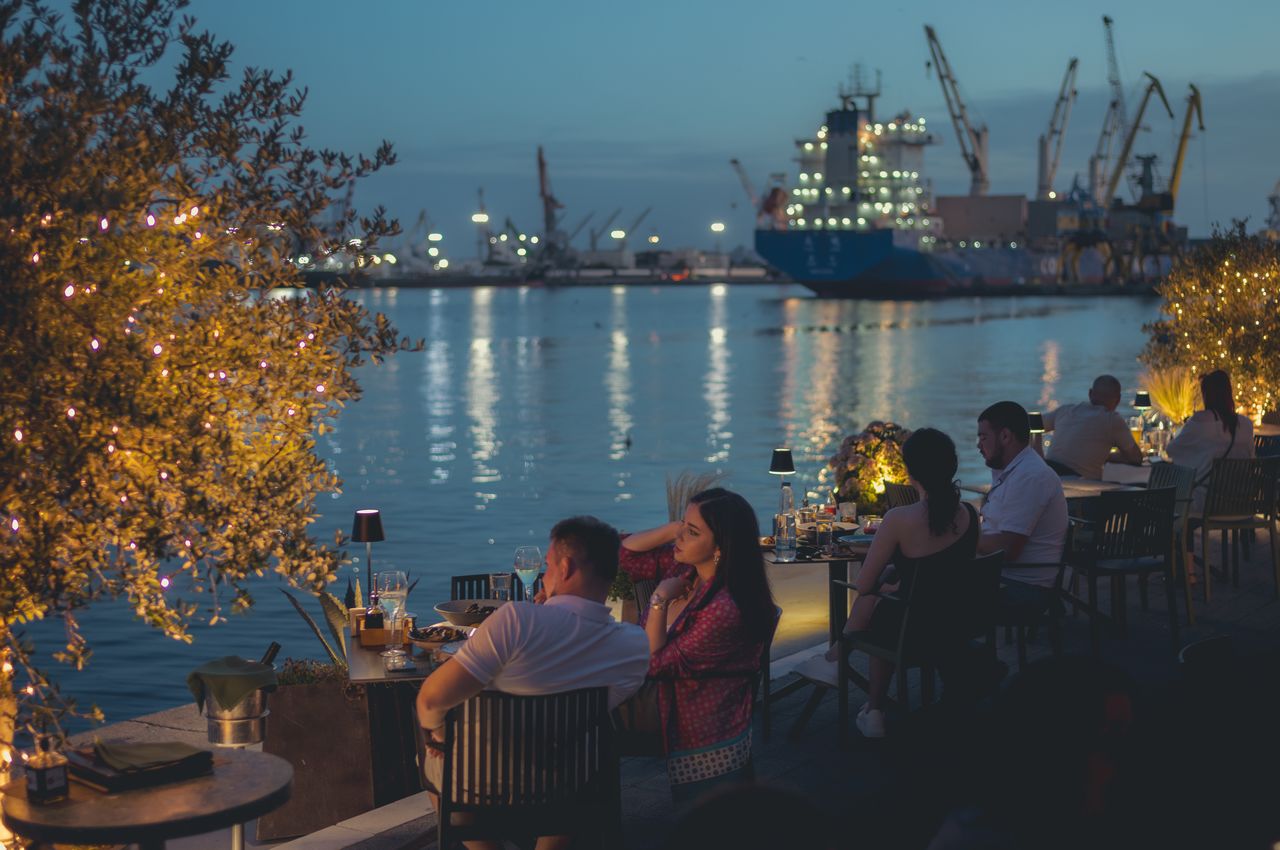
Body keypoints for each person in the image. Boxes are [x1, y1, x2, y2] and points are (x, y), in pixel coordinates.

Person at [415, 515, 649, 850]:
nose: (545, 575)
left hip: (476, 782)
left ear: (566, 567)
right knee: (589, 747)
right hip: (563, 786)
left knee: (432, 752)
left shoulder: (514, 620)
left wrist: (438, 736)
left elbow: (429, 701)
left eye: (549, 565)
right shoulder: (633, 646)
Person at [619, 487, 777, 807]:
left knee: (577, 717)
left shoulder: (725, 607)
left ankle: (569, 819)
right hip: (652, 694)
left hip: (684, 711)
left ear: (720, 546)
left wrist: (660, 600)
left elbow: (653, 664)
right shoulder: (685, 570)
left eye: (691, 532)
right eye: (682, 527)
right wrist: (676, 527)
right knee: (573, 714)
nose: (680, 538)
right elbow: (624, 555)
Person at [822, 428, 979, 738]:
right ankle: (865, 699)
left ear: (909, 471)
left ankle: (851, 683)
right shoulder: (970, 516)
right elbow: (952, 571)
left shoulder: (899, 518)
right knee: (888, 598)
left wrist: (884, 580)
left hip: (913, 631)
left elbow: (864, 584)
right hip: (958, 624)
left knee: (875, 600)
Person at [975, 401, 1069, 587]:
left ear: (1005, 436)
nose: (979, 445)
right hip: (1001, 575)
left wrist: (963, 538)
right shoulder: (1012, 470)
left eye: (984, 437)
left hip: (1019, 585)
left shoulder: (1030, 476)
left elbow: (1008, 549)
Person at [1166, 369, 1255, 516]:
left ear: (1206, 395)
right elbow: (1251, 459)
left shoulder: (1200, 421)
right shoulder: (1246, 424)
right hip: (1240, 503)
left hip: (1206, 504)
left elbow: (1171, 450)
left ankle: (1176, 537)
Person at [1043, 375, 1143, 479]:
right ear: (1118, 399)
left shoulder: (1066, 411)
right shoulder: (1112, 420)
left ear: (1090, 394)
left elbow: (1032, 423)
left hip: (1048, 475)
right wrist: (1107, 457)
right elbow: (1136, 458)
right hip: (1079, 484)